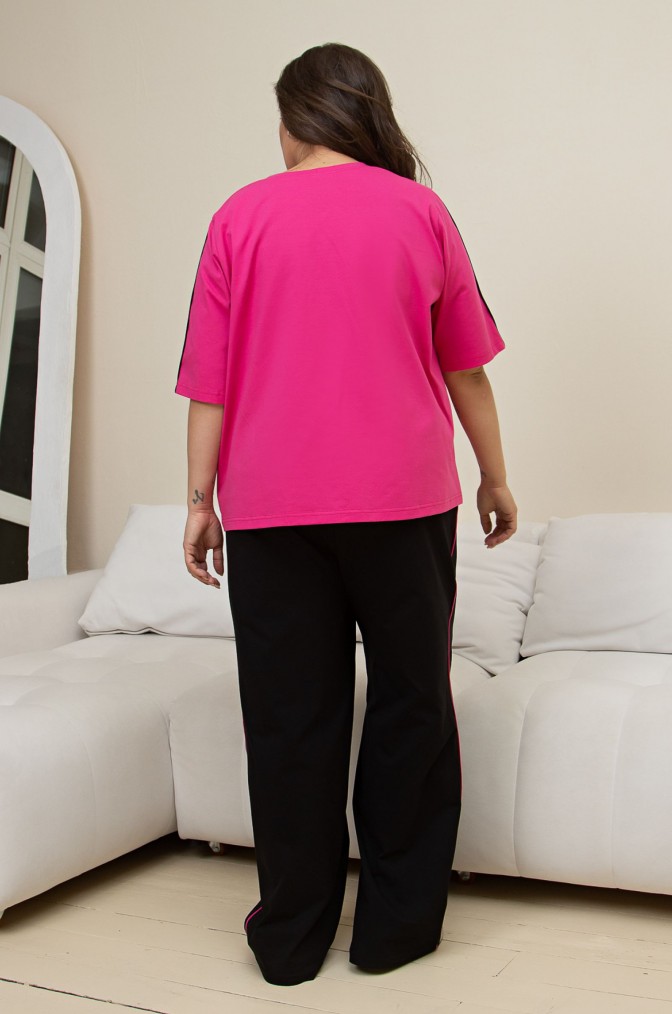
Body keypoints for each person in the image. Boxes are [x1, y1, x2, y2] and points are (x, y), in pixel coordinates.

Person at [175, 42, 517, 987]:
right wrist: (495, 478)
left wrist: (199, 502)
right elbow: (466, 370)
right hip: (404, 506)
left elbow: (208, 383)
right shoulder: (420, 211)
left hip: (271, 512)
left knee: (289, 719)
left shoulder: (238, 216)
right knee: (412, 705)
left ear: (295, 120)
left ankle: (291, 940)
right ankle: (394, 931)